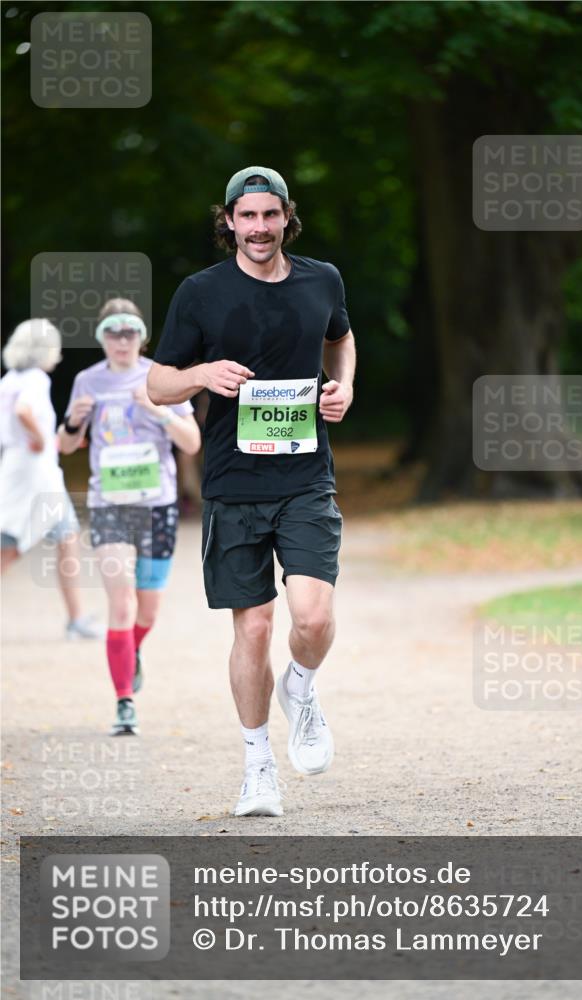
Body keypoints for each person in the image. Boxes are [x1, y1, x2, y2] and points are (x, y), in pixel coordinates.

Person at [147, 166, 356, 817]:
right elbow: (157, 385)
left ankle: (301, 686)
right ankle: (257, 766)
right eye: (247, 216)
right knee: (256, 627)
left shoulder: (322, 279)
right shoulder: (200, 293)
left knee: (312, 618)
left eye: (270, 215)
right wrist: (201, 373)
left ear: (286, 217)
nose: (259, 228)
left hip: (305, 478)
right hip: (234, 484)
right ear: (229, 221)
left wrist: (343, 386)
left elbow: (340, 337)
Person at [58, 299, 201, 734]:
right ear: (101, 338)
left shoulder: (161, 377)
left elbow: (192, 442)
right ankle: (124, 701)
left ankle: (130, 650)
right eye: (113, 333)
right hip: (110, 505)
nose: (122, 341)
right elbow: (65, 445)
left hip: (157, 504)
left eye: (130, 332)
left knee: (147, 611)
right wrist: (73, 422)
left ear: (142, 336)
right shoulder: (87, 380)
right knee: (121, 603)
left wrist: (158, 410)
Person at [0, 318, 102, 639]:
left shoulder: (9, 379)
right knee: (11, 546)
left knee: (67, 536)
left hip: (25, 467)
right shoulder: (35, 379)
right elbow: (23, 412)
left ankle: (76, 618)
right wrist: (42, 440)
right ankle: (76, 620)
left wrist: (46, 441)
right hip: (35, 475)